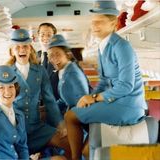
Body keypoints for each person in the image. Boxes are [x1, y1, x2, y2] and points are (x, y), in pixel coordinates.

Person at [64, 1, 147, 160]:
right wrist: (90, 99)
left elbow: (126, 85)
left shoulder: (121, 47)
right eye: (93, 21)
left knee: (70, 117)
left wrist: (95, 98)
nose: (94, 25)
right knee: (87, 150)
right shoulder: (104, 46)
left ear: (113, 23)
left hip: (129, 104)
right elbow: (103, 81)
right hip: (117, 101)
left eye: (99, 21)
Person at [6, 28, 71, 159]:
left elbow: (50, 100)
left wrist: (60, 123)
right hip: (15, 130)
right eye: (17, 47)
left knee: (70, 142)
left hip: (37, 128)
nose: (22, 50)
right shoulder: (6, 72)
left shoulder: (40, 70)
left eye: (25, 46)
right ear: (12, 51)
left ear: (30, 48)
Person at [47, 34, 90, 115]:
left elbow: (83, 103)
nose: (54, 59)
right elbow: (64, 99)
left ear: (68, 54)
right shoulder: (64, 70)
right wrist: (49, 109)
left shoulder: (73, 74)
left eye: (58, 54)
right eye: (51, 55)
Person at [37, 23, 60, 100]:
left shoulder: (61, 57)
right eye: (42, 34)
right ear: (38, 36)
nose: (45, 37)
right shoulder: (33, 57)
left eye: (49, 35)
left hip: (57, 102)